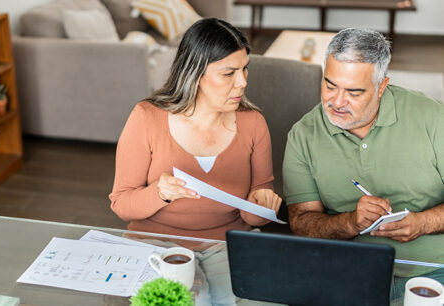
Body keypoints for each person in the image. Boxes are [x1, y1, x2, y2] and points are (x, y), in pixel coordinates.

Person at [110, 18, 281, 305]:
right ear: (196, 74)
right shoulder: (146, 117)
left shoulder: (253, 124)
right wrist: (159, 194)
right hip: (154, 243)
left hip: (227, 246)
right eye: (229, 73)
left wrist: (262, 207)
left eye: (244, 69)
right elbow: (121, 203)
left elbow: (254, 218)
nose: (243, 82)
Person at [283, 28, 444, 298]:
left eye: (354, 93)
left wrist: (423, 223)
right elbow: (300, 222)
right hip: (349, 272)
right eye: (329, 85)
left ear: (382, 87)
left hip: (435, 270)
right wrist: (350, 223)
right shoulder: (303, 135)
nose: (336, 102)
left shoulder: (433, 117)